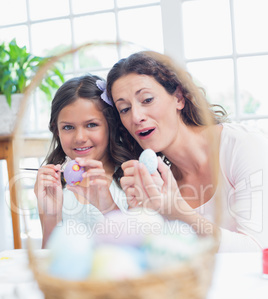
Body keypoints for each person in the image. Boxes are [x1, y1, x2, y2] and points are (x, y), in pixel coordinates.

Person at [106, 51, 268, 252]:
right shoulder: (158, 183)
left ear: (179, 98)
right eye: (124, 109)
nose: (136, 116)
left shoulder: (244, 146)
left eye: (147, 100)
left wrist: (179, 212)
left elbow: (257, 250)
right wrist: (140, 213)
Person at [34, 74, 130, 247]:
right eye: (68, 127)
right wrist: (50, 215)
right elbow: (50, 258)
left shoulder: (130, 180)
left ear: (111, 125)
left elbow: (142, 250)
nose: (79, 138)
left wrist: (107, 206)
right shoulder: (55, 189)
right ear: (57, 131)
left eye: (91, 125)